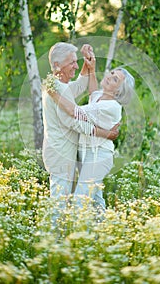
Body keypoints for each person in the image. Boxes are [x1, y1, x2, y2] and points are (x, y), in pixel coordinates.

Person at [48, 63, 135, 211]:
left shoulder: (112, 106)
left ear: (118, 91)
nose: (109, 77)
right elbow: (93, 95)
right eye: (112, 73)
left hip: (99, 157)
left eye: (115, 80)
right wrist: (92, 69)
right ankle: (103, 230)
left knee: (80, 200)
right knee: (96, 202)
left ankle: (80, 232)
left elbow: (73, 111)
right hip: (88, 154)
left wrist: (53, 92)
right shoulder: (101, 97)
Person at [42, 42, 119, 202]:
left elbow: (77, 87)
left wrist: (88, 66)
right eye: (72, 62)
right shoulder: (58, 89)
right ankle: (53, 227)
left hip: (61, 151)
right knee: (59, 200)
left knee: (90, 197)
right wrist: (105, 133)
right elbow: (74, 122)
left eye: (77, 61)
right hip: (60, 153)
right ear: (57, 65)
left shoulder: (57, 85)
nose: (76, 66)